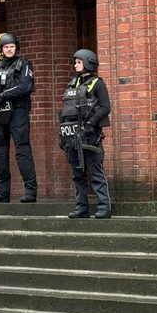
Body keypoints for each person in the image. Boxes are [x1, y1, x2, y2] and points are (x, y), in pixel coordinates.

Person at [0, 33, 39, 203]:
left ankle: (30, 191)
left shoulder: (24, 65)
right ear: (1, 49)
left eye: (12, 46)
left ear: (16, 47)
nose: (9, 49)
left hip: (17, 112)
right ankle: (2, 191)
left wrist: (3, 95)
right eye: (6, 47)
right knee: (0, 152)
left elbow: (26, 86)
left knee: (22, 150)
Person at [59, 49, 112, 219]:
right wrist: (62, 134)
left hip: (90, 135)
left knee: (95, 170)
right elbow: (65, 111)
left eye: (78, 62)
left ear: (88, 62)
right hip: (72, 134)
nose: (75, 65)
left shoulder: (98, 83)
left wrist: (91, 123)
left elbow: (105, 107)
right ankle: (81, 207)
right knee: (77, 173)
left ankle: (104, 206)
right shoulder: (72, 84)